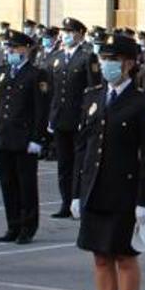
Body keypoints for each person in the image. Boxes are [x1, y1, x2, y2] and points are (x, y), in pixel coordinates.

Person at [72, 34, 145, 290]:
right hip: (94, 189)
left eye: (114, 59)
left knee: (124, 257)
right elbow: (82, 147)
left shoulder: (142, 102)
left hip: (124, 192)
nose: (106, 64)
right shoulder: (93, 96)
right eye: (104, 58)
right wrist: (75, 193)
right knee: (99, 258)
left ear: (129, 63)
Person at [0, 31, 50, 245]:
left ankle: (28, 227)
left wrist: (37, 138)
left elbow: (41, 110)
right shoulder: (2, 71)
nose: (10, 52)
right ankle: (12, 225)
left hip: (24, 139)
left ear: (26, 49)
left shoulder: (36, 74)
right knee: (7, 184)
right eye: (9, 48)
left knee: (26, 185)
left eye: (14, 48)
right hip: (3, 136)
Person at [48, 18, 100, 217]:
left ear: (80, 33)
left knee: (80, 164)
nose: (66, 34)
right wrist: (51, 118)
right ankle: (65, 202)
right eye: (64, 31)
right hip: (60, 119)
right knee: (64, 164)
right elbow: (53, 91)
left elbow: (93, 90)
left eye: (70, 31)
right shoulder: (58, 57)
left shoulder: (87, 57)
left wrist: (87, 117)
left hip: (78, 119)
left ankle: (79, 201)